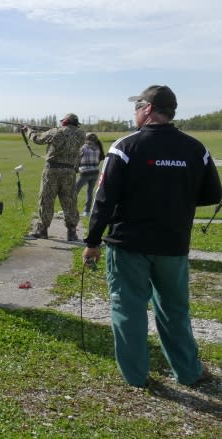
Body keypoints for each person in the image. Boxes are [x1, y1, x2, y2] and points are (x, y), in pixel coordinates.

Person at [82, 85, 221, 388]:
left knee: (128, 308)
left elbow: (103, 200)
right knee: (175, 310)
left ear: (147, 109)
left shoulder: (125, 147)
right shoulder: (195, 148)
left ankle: (136, 376)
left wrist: (92, 242)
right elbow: (212, 193)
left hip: (129, 245)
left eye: (136, 107)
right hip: (173, 245)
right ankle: (188, 371)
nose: (134, 113)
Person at [24, 114, 86, 241]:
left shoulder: (55, 131)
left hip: (52, 170)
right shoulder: (81, 134)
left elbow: (38, 139)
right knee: (70, 201)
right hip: (69, 171)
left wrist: (28, 131)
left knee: (46, 199)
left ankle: (42, 230)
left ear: (65, 122)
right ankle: (72, 232)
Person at [75, 132, 105, 216]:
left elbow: (77, 159)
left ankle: (70, 210)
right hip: (95, 172)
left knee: (74, 191)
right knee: (90, 192)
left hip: (84, 172)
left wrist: (76, 168)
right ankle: (87, 212)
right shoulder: (98, 148)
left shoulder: (84, 147)